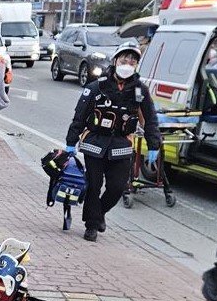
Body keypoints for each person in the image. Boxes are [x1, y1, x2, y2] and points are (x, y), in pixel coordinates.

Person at [64, 41, 161, 242]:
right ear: (116, 60)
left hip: (121, 144)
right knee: (94, 185)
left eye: (132, 61)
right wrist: (71, 142)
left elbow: (151, 119)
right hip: (95, 143)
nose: (128, 63)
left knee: (117, 187)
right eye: (125, 59)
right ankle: (92, 225)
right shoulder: (96, 87)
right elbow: (80, 116)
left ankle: (98, 214)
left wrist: (154, 144)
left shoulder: (140, 91)